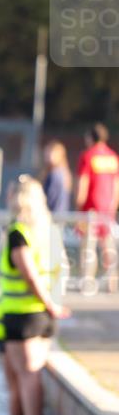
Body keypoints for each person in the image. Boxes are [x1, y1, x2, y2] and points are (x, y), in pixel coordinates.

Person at [0, 178, 70, 415]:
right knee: (24, 375)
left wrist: (49, 303)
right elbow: (63, 269)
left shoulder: (18, 233)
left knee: (25, 376)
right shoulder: (49, 232)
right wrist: (54, 304)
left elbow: (29, 274)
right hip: (41, 317)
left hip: (23, 317)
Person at [75, 123, 119, 291]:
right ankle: (112, 282)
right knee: (108, 246)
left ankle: (87, 282)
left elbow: (82, 184)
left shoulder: (88, 156)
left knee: (88, 247)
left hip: (90, 210)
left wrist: (78, 205)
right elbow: (116, 186)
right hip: (107, 209)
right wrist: (113, 206)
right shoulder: (113, 157)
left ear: (90, 137)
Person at [41, 140, 71, 215]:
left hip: (53, 217)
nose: (47, 156)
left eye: (50, 153)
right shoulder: (64, 172)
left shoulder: (55, 174)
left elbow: (50, 199)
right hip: (61, 216)